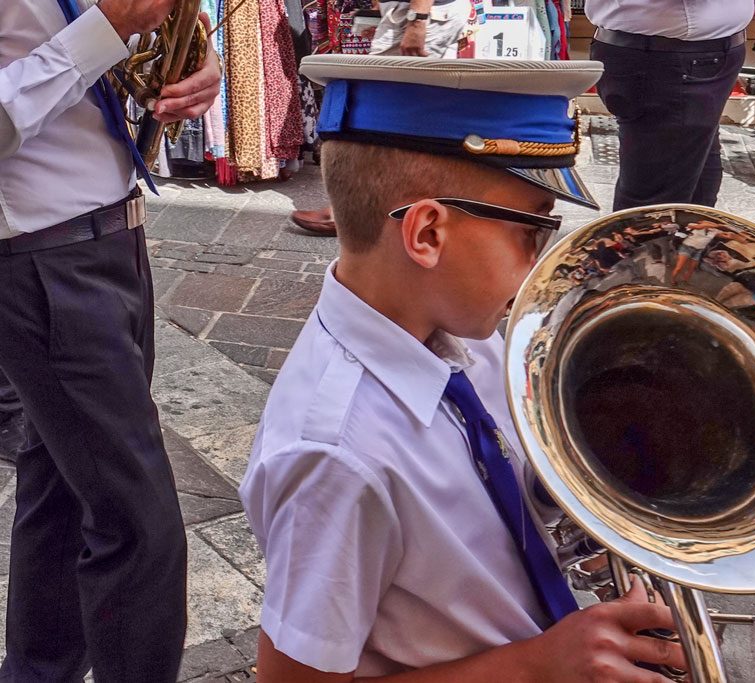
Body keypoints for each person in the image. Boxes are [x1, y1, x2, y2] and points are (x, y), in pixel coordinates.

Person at [241, 55, 688, 682]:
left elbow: (505, 476)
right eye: (532, 234)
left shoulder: (465, 333)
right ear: (427, 234)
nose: (539, 267)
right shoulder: (335, 455)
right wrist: (539, 666)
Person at [0, 1, 221, 679]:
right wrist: (108, 27)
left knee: (63, 490)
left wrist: (197, 66)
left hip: (109, 235)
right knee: (141, 530)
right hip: (43, 257)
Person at [290, 0, 471, 235]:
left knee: (382, 114)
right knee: (407, 114)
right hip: (417, 13)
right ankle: (403, 208)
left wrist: (417, 20)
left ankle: (352, 212)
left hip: (421, 14)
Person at [586, 0, 754, 210]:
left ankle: (680, 239)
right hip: (671, 56)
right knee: (657, 207)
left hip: (680, 53)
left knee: (697, 185)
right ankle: (649, 242)